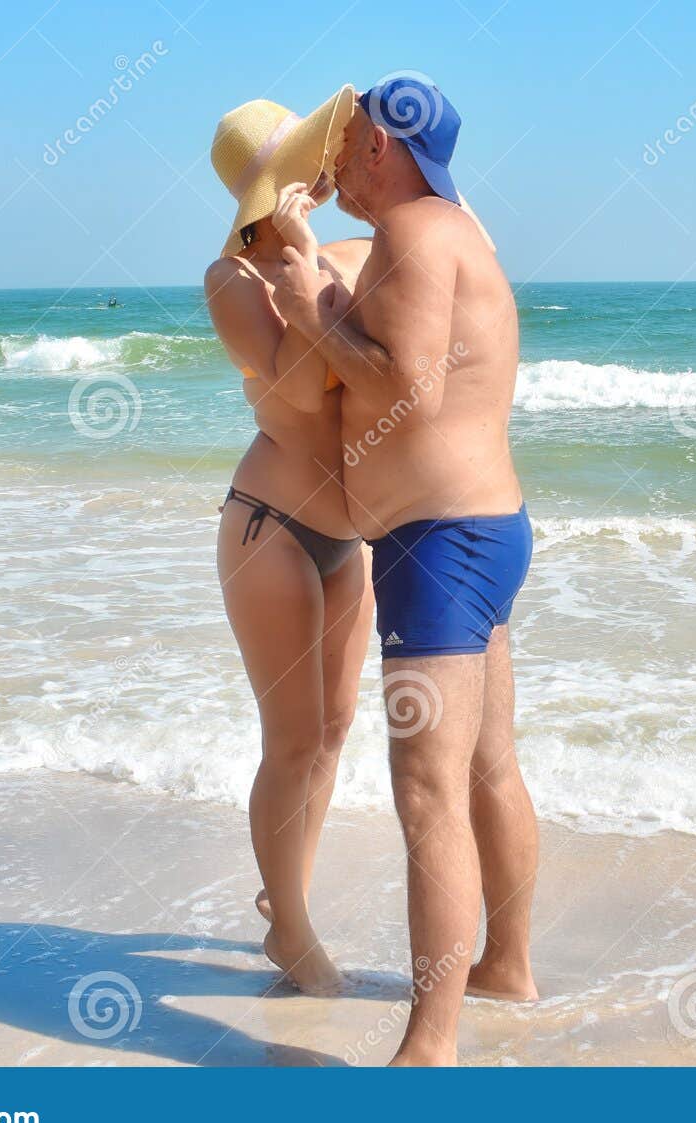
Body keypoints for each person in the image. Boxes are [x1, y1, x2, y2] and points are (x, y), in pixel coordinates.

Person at [267, 75, 538, 1066]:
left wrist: (305, 308)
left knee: (426, 791)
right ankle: (505, 963)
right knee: (485, 766)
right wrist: (328, 289)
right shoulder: (452, 228)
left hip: (439, 544)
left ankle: (431, 1044)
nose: (332, 155)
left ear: (382, 145)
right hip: (482, 530)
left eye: (344, 139)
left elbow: (408, 388)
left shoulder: (416, 236)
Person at [202, 89, 373, 995]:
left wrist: (325, 255)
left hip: (351, 540)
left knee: (338, 728)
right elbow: (305, 392)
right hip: (271, 527)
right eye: (309, 165)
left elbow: (467, 262)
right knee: (293, 738)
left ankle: (287, 898)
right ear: (275, 189)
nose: (325, 174)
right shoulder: (233, 280)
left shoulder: (351, 249)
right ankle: (294, 934)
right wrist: (305, 260)